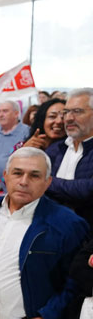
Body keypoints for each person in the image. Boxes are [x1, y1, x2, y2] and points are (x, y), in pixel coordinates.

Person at [0, 147, 88, 319]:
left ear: (48, 182)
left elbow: (76, 284)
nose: (23, 181)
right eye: (17, 173)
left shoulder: (67, 224)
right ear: (5, 176)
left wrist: (48, 318)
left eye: (34, 175)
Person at [45, 88, 93, 226]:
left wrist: (46, 182)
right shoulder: (56, 149)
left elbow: (87, 190)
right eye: (66, 112)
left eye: (77, 111)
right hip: (51, 228)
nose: (69, 118)